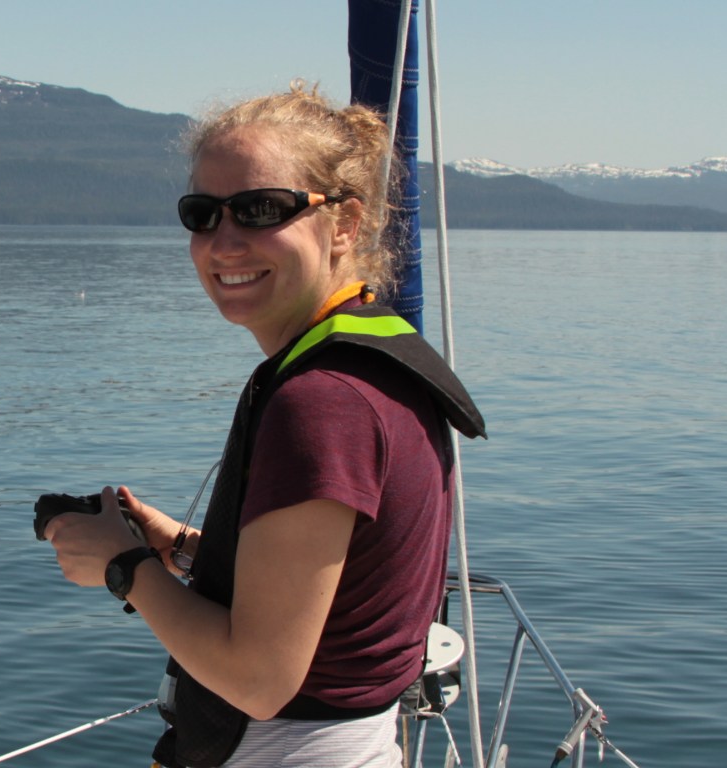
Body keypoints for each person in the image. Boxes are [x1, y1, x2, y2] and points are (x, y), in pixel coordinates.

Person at [42, 83, 485, 768]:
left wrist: (123, 564)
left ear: (343, 224)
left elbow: (260, 678)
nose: (225, 241)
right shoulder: (373, 360)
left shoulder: (324, 402)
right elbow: (335, 591)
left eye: (260, 209)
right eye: (203, 213)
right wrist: (182, 547)